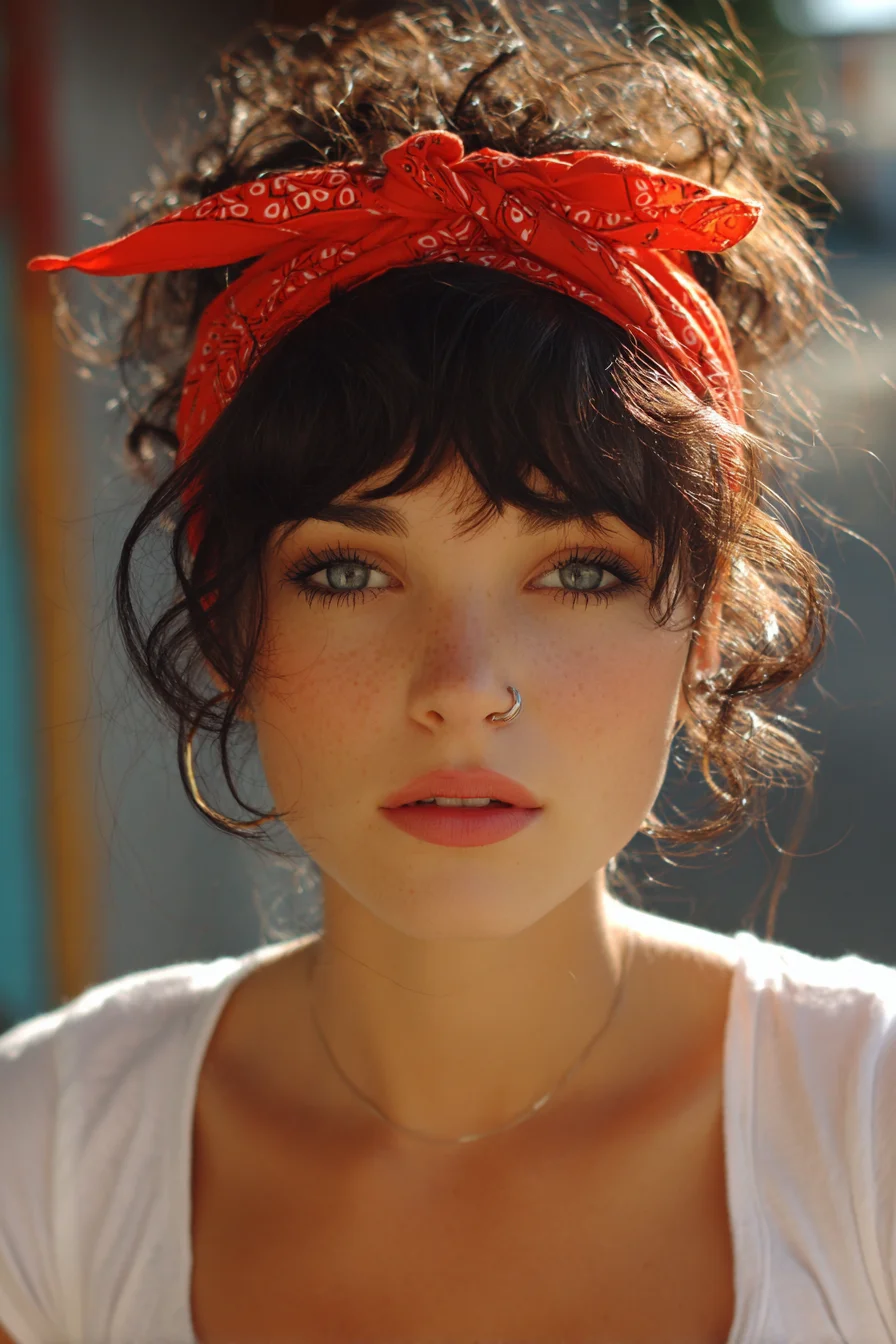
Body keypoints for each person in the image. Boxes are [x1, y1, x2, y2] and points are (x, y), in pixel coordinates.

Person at [2, 1, 895, 1340]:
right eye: (348, 572)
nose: (464, 684)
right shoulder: (46, 1160)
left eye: (578, 570)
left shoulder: (868, 1125)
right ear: (230, 614)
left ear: (706, 618)